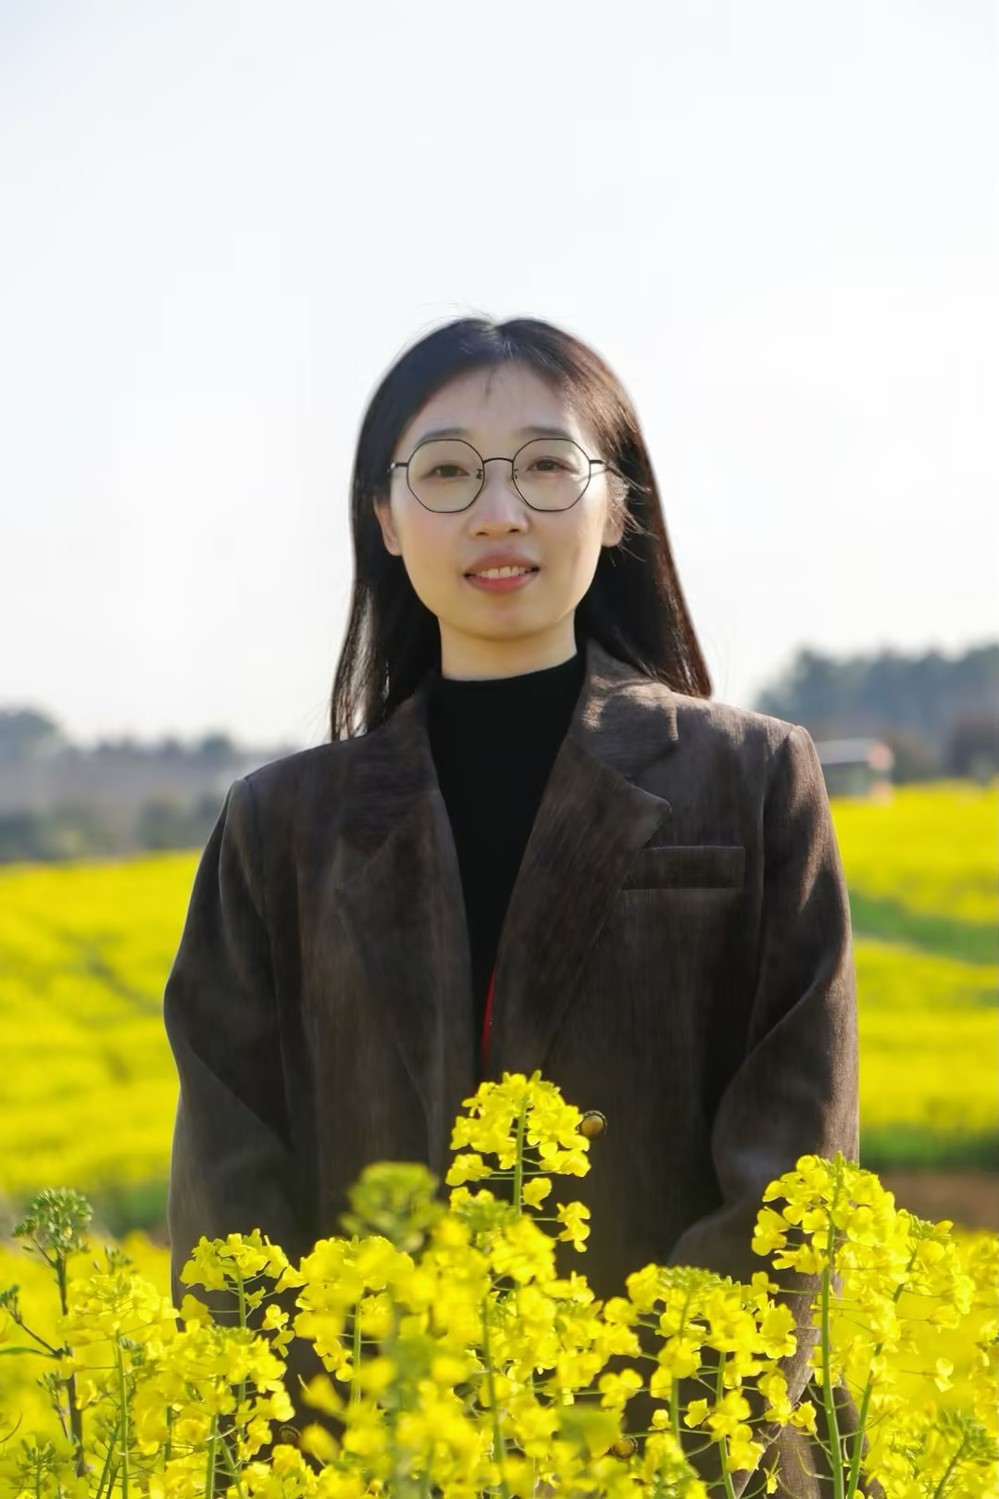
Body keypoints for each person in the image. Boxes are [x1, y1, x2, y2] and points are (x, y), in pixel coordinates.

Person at [164, 316, 868, 1496]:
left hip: (695, 1459)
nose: (499, 512)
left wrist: (641, 1447)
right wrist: (320, 1454)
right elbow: (232, 1181)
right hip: (377, 1459)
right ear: (385, 518)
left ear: (617, 503)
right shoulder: (277, 825)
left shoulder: (753, 781)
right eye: (446, 472)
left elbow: (794, 1153)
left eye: (547, 465)